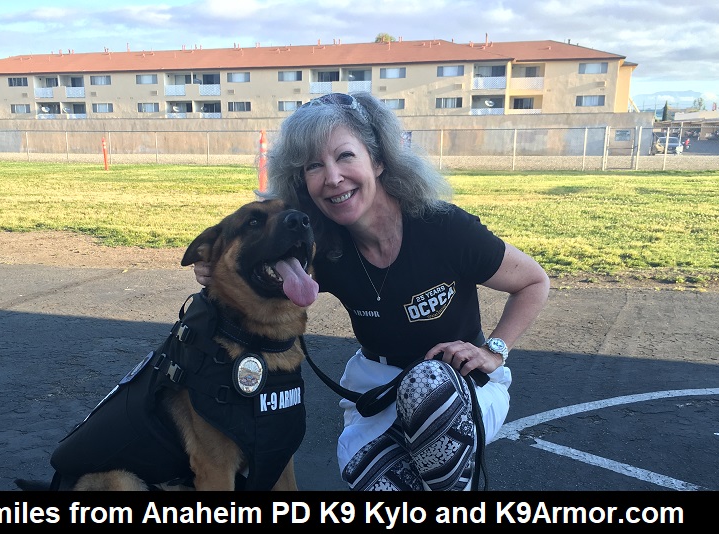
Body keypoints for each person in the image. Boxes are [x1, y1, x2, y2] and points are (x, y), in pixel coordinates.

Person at [194, 92, 550, 491]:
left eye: (345, 156)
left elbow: (534, 282)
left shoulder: (442, 227)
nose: (332, 177)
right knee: (384, 487)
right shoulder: (322, 247)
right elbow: (254, 260)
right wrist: (215, 264)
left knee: (428, 387)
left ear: (378, 161)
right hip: (377, 386)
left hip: (459, 387)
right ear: (303, 183)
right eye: (314, 165)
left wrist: (494, 351)